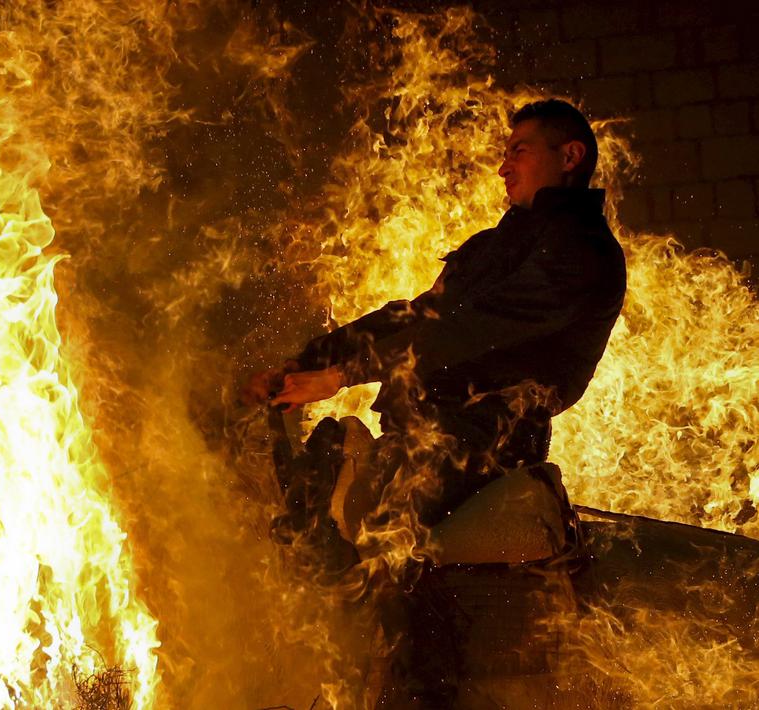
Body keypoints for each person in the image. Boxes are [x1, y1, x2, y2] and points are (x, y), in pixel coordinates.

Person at [245, 99, 627, 706]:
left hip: (486, 439)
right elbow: (416, 317)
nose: (504, 165)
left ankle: (420, 697)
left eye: (520, 150)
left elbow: (465, 333)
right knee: (313, 502)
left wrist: (343, 374)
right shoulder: (490, 248)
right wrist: (305, 363)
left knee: (392, 547)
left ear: (570, 156)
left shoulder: (580, 251)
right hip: (425, 431)